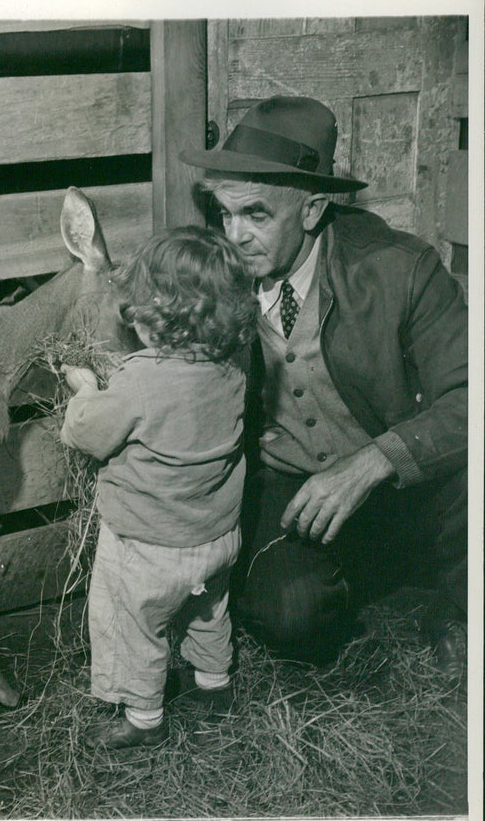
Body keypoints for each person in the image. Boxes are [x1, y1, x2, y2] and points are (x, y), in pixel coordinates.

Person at [179, 95, 468, 674]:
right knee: (292, 616)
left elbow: (471, 397)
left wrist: (374, 463)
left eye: (256, 215)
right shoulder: (208, 275)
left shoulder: (400, 267)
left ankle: (456, 603)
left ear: (311, 211)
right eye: (223, 213)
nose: (233, 236)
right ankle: (371, 573)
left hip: (399, 483)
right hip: (289, 490)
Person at [60, 226, 257, 748]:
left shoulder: (139, 381)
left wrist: (83, 387)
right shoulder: (233, 372)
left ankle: (143, 720)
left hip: (146, 547)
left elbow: (87, 433)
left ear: (154, 319)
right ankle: (215, 686)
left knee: (133, 623)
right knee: (207, 611)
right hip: (215, 539)